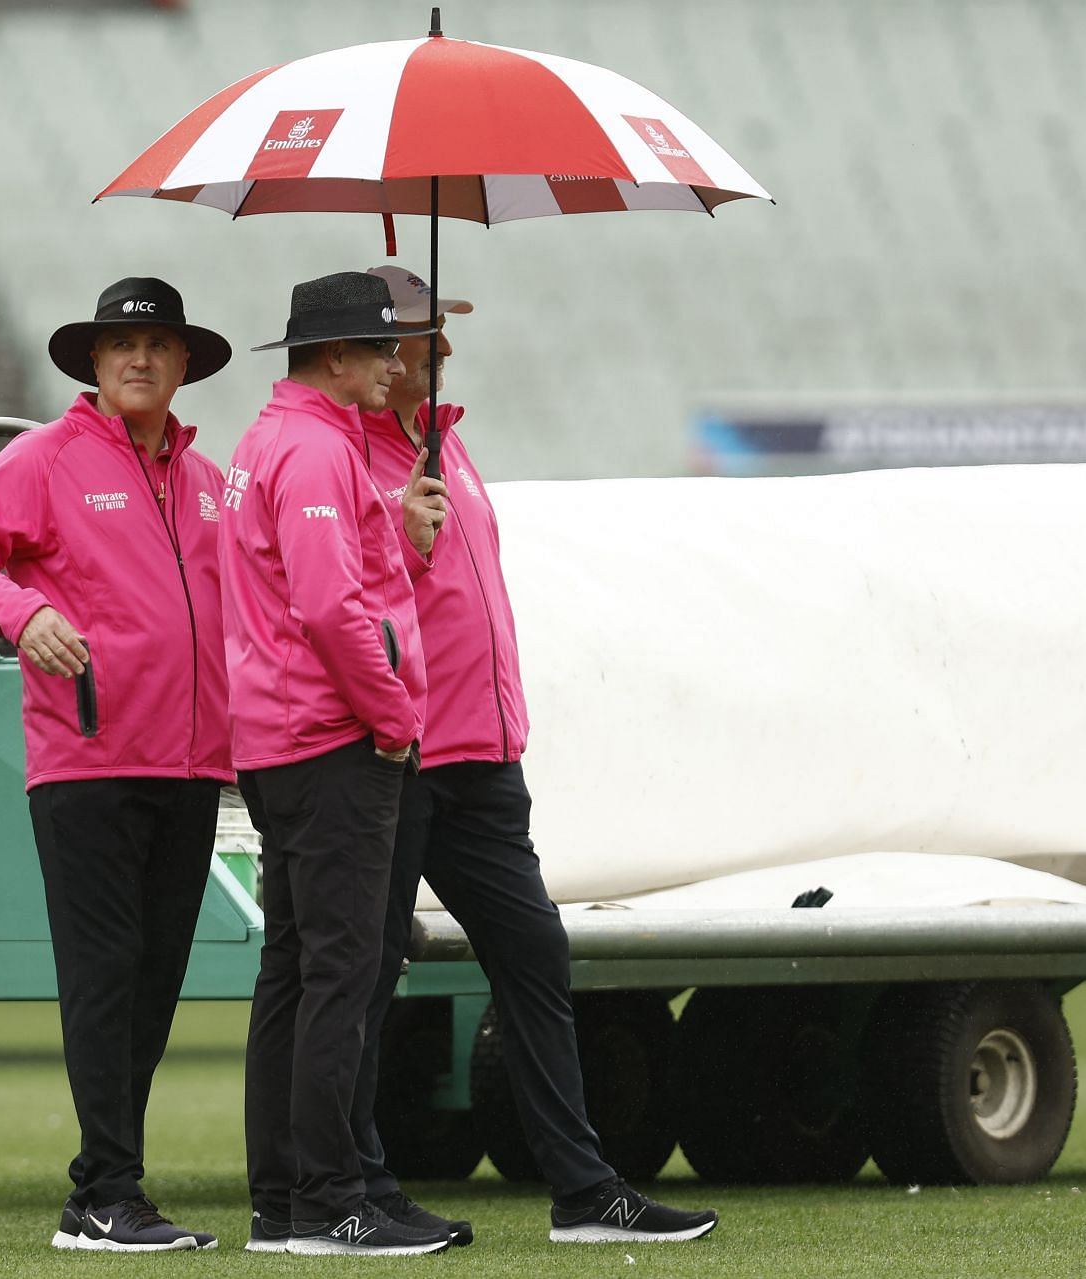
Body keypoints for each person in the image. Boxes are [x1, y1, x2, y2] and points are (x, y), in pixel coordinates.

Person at [350, 265, 721, 1245]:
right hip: (401, 752)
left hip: (482, 757)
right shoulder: (350, 461)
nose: (448, 351)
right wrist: (404, 534)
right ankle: (347, 1187)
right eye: (432, 335)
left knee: (534, 954)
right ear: (387, 352)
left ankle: (583, 1190)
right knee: (363, 971)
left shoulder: (445, 444)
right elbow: (341, 599)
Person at [0, 277, 233, 1253]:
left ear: (184, 364)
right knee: (107, 975)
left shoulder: (211, 480)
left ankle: (107, 1187)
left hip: (193, 766)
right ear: (94, 364)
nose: (137, 359)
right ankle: (105, 1191)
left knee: (152, 981)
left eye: (156, 346)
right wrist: (25, 612)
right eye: (117, 346)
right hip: (89, 758)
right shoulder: (44, 460)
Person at [219, 272, 450, 1257]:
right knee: (343, 973)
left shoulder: (273, 441)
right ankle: (330, 1202)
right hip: (329, 740)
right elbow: (327, 608)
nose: (399, 363)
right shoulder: (315, 450)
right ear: (336, 358)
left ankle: (284, 1200)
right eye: (381, 346)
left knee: (295, 970)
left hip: (278, 736)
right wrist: (394, 716)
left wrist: (395, 537)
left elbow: (313, 584)